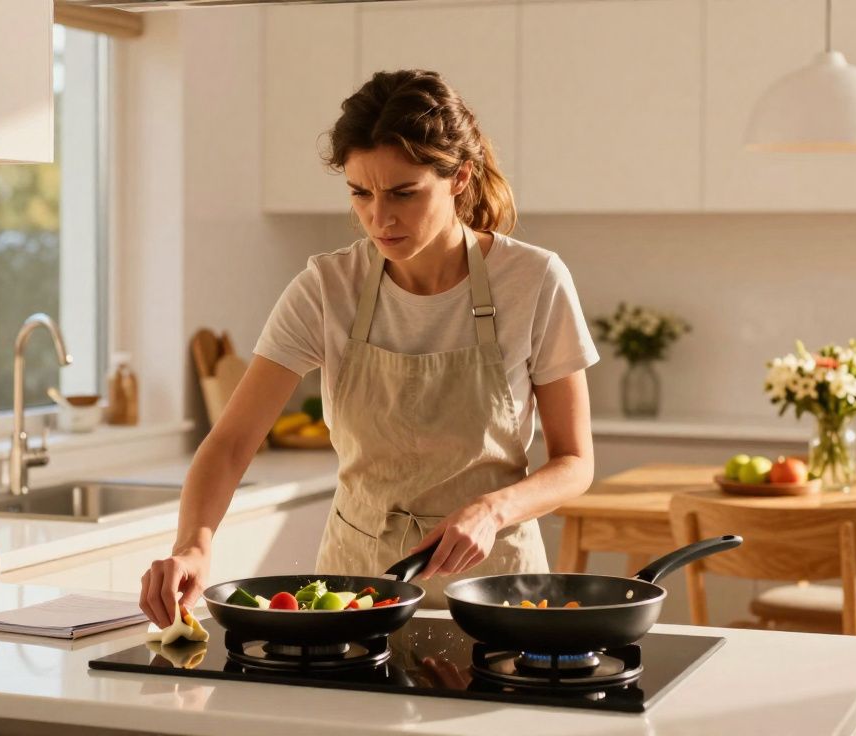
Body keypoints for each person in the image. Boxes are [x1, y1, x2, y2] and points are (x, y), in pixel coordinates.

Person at [139, 69, 598, 627]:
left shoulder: (534, 280)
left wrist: (490, 509)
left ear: (459, 179)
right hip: (354, 589)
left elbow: (575, 463)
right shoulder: (327, 288)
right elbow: (232, 441)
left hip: (493, 589)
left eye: (405, 193)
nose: (379, 217)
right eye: (360, 192)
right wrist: (193, 543)